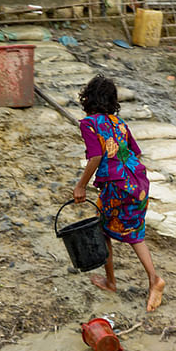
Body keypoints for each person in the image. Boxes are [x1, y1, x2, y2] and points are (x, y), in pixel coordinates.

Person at [73, 74, 165, 312]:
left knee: (103, 229)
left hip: (117, 186)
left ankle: (114, 282)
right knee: (135, 232)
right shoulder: (118, 123)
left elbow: (95, 156)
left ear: (88, 99)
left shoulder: (89, 124)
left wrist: (81, 185)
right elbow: (136, 152)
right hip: (138, 183)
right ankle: (153, 279)